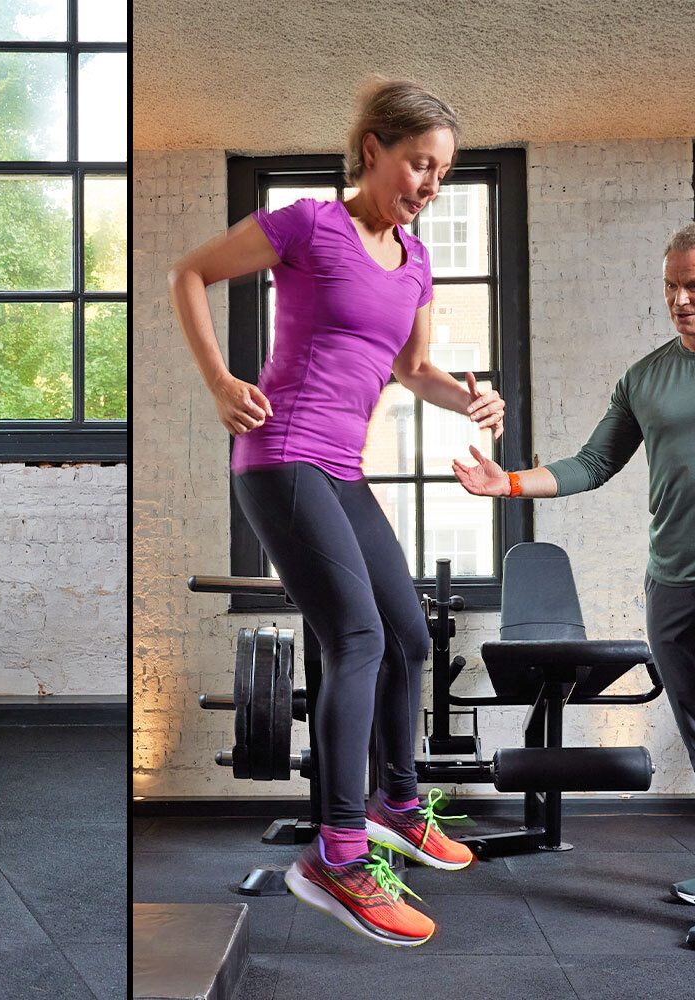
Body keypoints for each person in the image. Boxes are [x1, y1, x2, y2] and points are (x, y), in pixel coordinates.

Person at [167, 78, 505, 947]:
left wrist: (466, 397)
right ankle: (337, 853)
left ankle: (397, 806)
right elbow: (190, 272)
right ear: (373, 151)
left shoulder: (419, 259)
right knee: (354, 636)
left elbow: (411, 369)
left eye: (442, 174)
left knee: (412, 637)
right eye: (418, 165)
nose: (429, 185)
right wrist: (218, 381)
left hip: (343, 471)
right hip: (279, 457)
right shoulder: (309, 225)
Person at [453, 220, 695, 950]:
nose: (680, 299)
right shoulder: (646, 376)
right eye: (670, 285)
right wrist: (505, 482)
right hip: (671, 573)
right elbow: (590, 464)